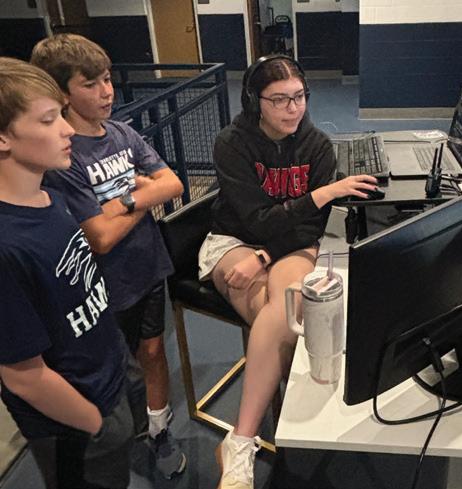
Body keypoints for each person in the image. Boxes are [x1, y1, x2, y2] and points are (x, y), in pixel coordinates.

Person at [198, 54, 378, 489]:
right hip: (234, 242)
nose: (292, 108)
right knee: (289, 317)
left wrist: (265, 257)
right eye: (278, 99)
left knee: (283, 310)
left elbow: (309, 228)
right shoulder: (232, 144)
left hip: (289, 245)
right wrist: (321, 195)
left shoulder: (316, 145)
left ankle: (239, 441)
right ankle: (269, 428)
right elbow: (257, 221)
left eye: (299, 96)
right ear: (254, 101)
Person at [31, 34, 187, 479]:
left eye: (107, 79)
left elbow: (173, 184)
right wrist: (141, 194)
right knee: (118, 367)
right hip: (101, 286)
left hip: (148, 265)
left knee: (153, 351)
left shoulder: (122, 133)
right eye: (90, 84)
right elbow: (99, 238)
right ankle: (123, 434)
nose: (106, 92)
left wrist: (125, 203)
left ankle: (158, 428)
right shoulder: (63, 158)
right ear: (62, 93)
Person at [0, 57, 134, 489]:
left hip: (106, 377)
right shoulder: (6, 245)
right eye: (48, 120)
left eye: (61, 114)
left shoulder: (50, 198)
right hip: (73, 423)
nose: (68, 130)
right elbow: (23, 376)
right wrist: (95, 423)